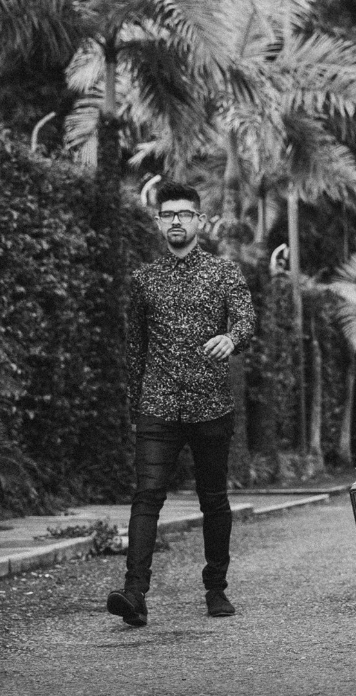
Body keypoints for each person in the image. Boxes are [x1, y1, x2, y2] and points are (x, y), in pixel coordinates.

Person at [107, 180, 256, 627]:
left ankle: (216, 588)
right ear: (158, 222)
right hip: (157, 405)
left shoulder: (223, 272)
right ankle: (135, 593)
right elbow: (136, 349)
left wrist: (232, 337)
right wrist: (136, 410)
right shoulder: (144, 280)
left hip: (211, 406)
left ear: (199, 220)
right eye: (168, 214)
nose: (176, 221)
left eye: (184, 214)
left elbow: (246, 318)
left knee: (214, 499)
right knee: (146, 495)